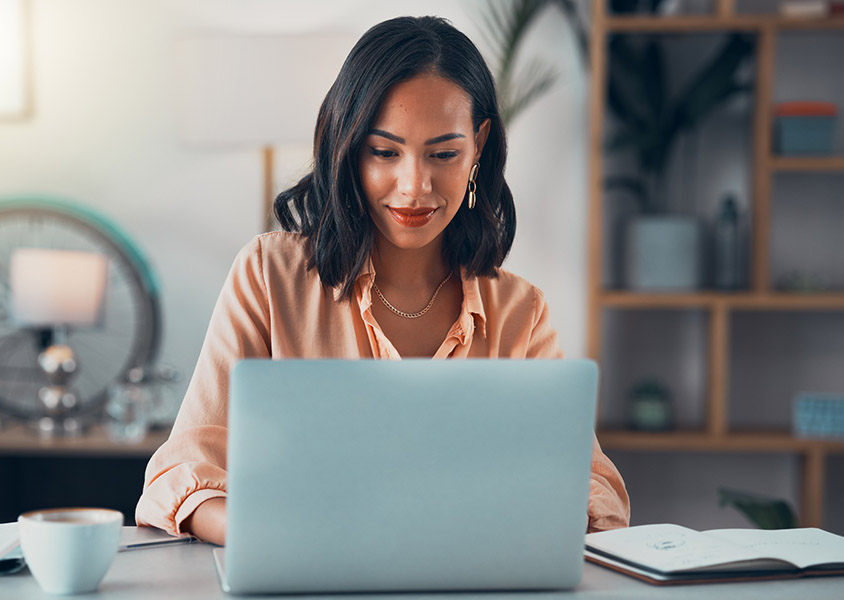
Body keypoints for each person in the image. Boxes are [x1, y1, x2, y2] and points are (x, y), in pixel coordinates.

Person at [136, 15, 629, 546]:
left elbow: (591, 486)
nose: (414, 186)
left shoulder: (519, 312)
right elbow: (181, 474)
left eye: (443, 154)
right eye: (384, 152)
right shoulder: (268, 276)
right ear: (348, 148)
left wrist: (525, 521)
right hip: (305, 573)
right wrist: (273, 535)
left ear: (479, 146)